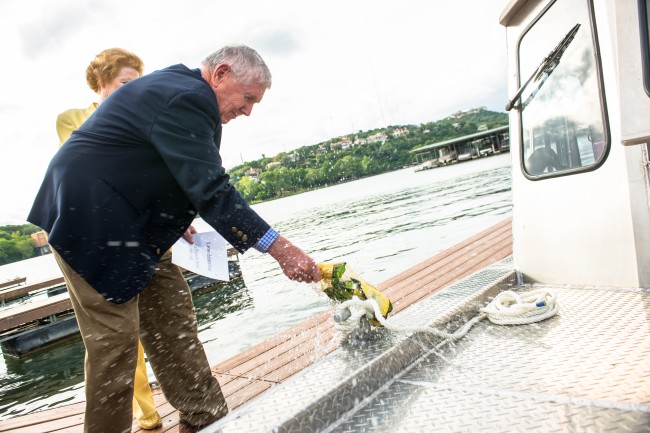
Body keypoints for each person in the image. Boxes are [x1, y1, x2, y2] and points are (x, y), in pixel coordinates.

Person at [28, 45, 321, 433]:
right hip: (92, 226)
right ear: (221, 73)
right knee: (114, 345)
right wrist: (281, 249)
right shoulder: (188, 96)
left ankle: (206, 417)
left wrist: (171, 212)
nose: (248, 111)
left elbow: (169, 163)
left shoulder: (180, 90)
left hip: (139, 225)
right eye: (247, 98)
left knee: (173, 319)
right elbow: (213, 188)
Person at [55, 48, 164, 430]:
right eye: (124, 83)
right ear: (102, 82)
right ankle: (143, 412)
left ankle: (149, 411)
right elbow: (90, 163)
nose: (132, 90)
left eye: (137, 83)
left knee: (145, 326)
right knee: (116, 338)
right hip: (96, 238)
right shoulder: (72, 119)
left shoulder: (142, 121)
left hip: (139, 235)